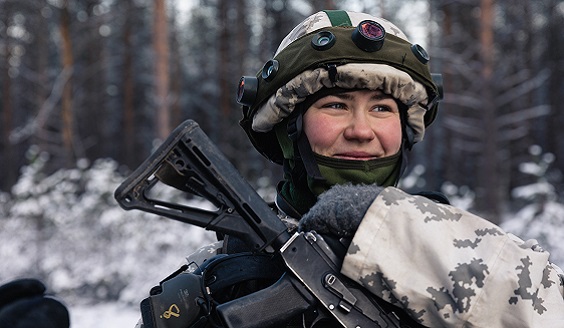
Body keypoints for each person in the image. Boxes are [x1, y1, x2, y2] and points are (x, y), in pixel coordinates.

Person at [140, 10, 564, 327]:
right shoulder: (219, 279)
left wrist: (394, 230)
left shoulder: (459, 249)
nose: (362, 130)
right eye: (336, 105)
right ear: (289, 130)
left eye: (382, 108)